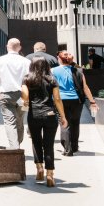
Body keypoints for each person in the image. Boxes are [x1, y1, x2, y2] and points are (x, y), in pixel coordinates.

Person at [21, 58, 68, 187]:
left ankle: (39, 168)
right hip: (50, 114)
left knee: (36, 142)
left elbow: (25, 96)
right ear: (47, 66)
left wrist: (26, 100)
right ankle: (50, 175)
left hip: (34, 115)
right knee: (49, 144)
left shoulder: (27, 78)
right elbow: (57, 99)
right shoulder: (52, 79)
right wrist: (63, 116)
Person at [52, 51, 98, 155]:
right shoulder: (79, 71)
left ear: (59, 59)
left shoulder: (53, 71)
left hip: (60, 101)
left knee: (64, 123)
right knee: (75, 122)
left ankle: (68, 149)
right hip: (76, 101)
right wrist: (92, 101)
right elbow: (85, 88)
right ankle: (74, 146)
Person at [0, 38, 31, 149]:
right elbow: (30, 79)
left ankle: (15, 147)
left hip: (6, 94)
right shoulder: (26, 61)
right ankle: (17, 143)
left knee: (10, 121)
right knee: (20, 120)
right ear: (20, 48)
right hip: (24, 95)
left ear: (7, 46)